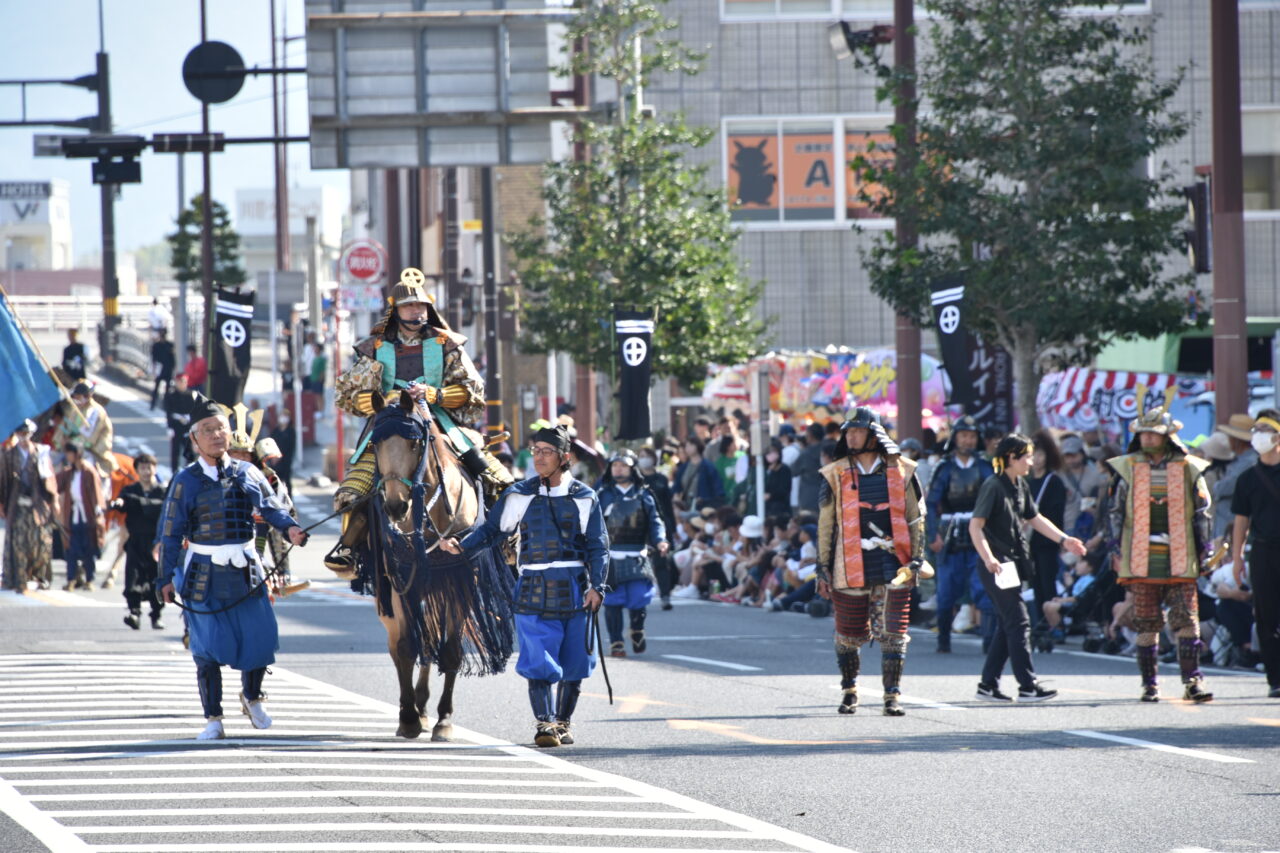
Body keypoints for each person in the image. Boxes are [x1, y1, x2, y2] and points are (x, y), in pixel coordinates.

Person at [325, 268, 512, 575]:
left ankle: (506, 539)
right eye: (410, 306)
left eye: (422, 305)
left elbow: (472, 389)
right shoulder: (374, 347)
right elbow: (347, 393)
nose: (417, 311)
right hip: (388, 421)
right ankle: (350, 545)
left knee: (492, 473)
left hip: (436, 417)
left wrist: (435, 394)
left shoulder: (446, 344)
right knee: (357, 486)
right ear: (395, 310)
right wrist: (379, 401)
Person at [440, 424, 607, 748]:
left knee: (575, 662)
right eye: (536, 451)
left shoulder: (585, 497)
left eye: (546, 452)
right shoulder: (520, 494)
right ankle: (545, 724)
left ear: (564, 457)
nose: (539, 458)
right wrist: (462, 547)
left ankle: (563, 722)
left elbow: (598, 547)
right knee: (537, 658)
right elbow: (491, 531)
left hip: (575, 587)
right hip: (533, 585)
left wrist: (598, 587)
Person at [158, 393, 310, 740]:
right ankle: (213, 718)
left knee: (260, 637)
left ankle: (253, 697)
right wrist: (163, 578)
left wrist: (290, 529)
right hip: (203, 575)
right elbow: (170, 532)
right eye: (207, 430)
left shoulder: (248, 472)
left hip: (247, 569)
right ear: (195, 439)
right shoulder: (185, 481)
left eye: (220, 429)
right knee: (207, 648)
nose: (216, 435)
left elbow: (271, 509)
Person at [815, 407, 928, 717]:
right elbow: (826, 523)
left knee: (894, 632)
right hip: (848, 561)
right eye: (847, 432)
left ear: (874, 434)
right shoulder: (835, 472)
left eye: (857, 431)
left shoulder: (903, 469)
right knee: (849, 633)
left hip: (894, 560)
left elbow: (916, 516)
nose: (850, 436)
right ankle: (850, 690)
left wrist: (918, 556)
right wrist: (821, 564)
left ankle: (892, 696)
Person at [1106, 401, 1214, 703]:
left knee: (1187, 621)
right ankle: (1149, 683)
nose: (1148, 438)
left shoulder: (1190, 468)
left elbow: (1202, 512)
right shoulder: (1126, 468)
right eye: (1144, 434)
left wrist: (1205, 549)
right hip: (1140, 556)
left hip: (1181, 555)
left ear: (1167, 436)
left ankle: (1193, 681)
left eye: (1153, 434)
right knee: (1146, 623)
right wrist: (1114, 548)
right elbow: (1114, 512)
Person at [969, 434, 1085, 702]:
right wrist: (988, 558)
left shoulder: (1020, 485)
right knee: (1019, 621)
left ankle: (988, 685)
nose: (1031, 462)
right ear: (1011, 457)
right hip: (995, 564)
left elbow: (1034, 518)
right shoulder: (993, 486)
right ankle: (1027, 686)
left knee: (1007, 622)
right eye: (1027, 456)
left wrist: (1064, 540)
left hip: (1010, 564)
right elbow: (975, 526)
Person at [925, 415, 994, 653]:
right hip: (949, 532)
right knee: (946, 592)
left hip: (979, 531)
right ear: (955, 438)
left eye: (972, 436)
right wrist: (932, 534)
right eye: (964, 435)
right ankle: (943, 638)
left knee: (983, 588)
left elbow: (995, 501)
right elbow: (931, 503)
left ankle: (989, 642)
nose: (968, 440)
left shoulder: (986, 467)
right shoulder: (943, 467)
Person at [598, 450, 668, 657]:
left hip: (637, 553)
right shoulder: (602, 494)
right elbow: (591, 523)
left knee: (639, 598)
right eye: (615, 465)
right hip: (610, 555)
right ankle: (616, 642)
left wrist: (661, 540)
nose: (619, 469)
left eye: (623, 465)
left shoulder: (644, 494)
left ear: (632, 468)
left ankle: (637, 629)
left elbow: (655, 521)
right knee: (613, 601)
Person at [1230, 409, 1280, 698]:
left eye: (1264, 429)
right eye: (1255, 429)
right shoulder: (1247, 478)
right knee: (1266, 616)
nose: (1258, 435)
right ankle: (1275, 677)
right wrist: (1237, 558)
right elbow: (1240, 521)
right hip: (1261, 551)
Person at [0, 420, 58, 591]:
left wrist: (54, 499)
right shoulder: (8, 455)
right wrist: (2, 502)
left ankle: (40, 576)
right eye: (20, 434)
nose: (23, 438)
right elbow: (2, 481)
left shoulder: (40, 452)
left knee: (41, 541)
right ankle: (17, 577)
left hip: (37, 503)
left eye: (26, 434)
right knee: (17, 542)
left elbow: (49, 477)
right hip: (16, 504)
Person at [112, 452, 167, 629]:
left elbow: (165, 509)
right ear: (136, 470)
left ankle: (156, 615)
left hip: (155, 543)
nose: (146, 471)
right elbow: (122, 502)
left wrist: (139, 503)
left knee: (156, 578)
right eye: (142, 467)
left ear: (155, 468)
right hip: (135, 541)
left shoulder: (162, 491)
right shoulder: (130, 491)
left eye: (149, 467)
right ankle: (134, 613)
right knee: (133, 578)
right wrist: (120, 502)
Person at [1026, 430, 1068, 626]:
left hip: (1047, 541)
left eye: (1040, 454)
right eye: (1032, 455)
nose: (1036, 459)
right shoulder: (1026, 481)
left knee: (1047, 580)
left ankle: (1053, 622)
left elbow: (1057, 514)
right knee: (1035, 583)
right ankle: (1041, 621)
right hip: (1029, 540)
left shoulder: (1054, 481)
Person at [57, 442, 105, 590]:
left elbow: (97, 494)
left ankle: (89, 579)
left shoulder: (89, 471)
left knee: (89, 548)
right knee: (71, 549)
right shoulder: (68, 472)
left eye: (69, 453)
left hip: (88, 515)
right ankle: (71, 578)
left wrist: (98, 513)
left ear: (76, 453)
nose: (67, 456)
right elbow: (55, 484)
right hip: (73, 514)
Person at [636, 446, 678, 610]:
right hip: (639, 526)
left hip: (660, 524)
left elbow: (668, 505)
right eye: (641, 456)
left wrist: (672, 527)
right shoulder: (635, 479)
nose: (644, 459)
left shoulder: (661, 479)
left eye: (648, 456)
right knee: (640, 562)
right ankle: (639, 595)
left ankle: (665, 596)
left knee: (661, 561)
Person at [56, 382, 118, 480]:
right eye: (75, 396)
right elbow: (63, 428)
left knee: (87, 469)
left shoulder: (96, 412)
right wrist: (61, 442)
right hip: (69, 447)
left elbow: (89, 439)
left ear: (87, 396)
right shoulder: (75, 409)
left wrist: (71, 444)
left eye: (78, 396)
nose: (76, 399)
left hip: (91, 451)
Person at [1214, 413, 1258, 540]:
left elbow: (1226, 487)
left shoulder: (1249, 461)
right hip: (1228, 523)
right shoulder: (1242, 460)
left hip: (1234, 525)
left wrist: (1216, 486)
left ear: (1236, 439)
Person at [672, 437, 724, 512]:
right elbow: (677, 486)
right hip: (687, 507)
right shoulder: (684, 467)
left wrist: (708, 501)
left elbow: (718, 490)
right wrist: (676, 496)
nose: (687, 448)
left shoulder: (708, 467)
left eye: (690, 445)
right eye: (686, 445)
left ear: (697, 446)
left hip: (704, 508)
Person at [164, 373, 200, 475]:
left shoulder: (191, 395)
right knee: (175, 451)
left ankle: (190, 471)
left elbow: (195, 411)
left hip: (188, 427)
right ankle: (174, 473)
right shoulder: (171, 395)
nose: (182, 383)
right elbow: (168, 412)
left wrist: (191, 422)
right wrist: (170, 427)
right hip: (175, 426)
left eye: (184, 381)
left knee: (189, 451)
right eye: (180, 381)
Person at [793, 422, 826, 515]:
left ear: (810, 435)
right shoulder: (828, 449)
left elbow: (794, 470)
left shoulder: (806, 453)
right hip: (827, 494)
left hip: (808, 496)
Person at [267, 409, 297, 496]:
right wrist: (272, 457)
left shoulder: (291, 431)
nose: (283, 418)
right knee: (275, 481)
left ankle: (289, 499)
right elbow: (271, 442)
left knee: (287, 481)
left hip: (286, 460)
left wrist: (280, 456)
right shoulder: (276, 430)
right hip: (275, 460)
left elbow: (290, 446)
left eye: (285, 416)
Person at [149, 329, 176, 411]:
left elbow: (173, 359)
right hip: (160, 369)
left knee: (167, 389)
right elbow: (153, 358)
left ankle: (165, 406)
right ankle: (153, 404)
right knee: (157, 388)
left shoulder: (169, 345)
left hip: (166, 369)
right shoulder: (157, 345)